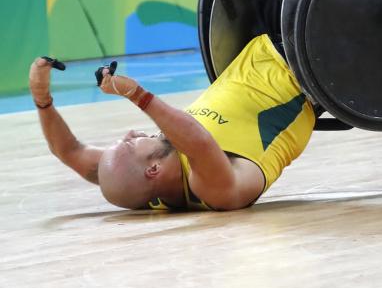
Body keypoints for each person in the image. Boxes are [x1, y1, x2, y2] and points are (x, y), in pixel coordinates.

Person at [27, 33, 316, 211]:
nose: (129, 133)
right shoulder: (214, 191)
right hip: (308, 69)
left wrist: (42, 99)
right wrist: (136, 94)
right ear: (153, 170)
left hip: (257, 46)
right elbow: (201, 142)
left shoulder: (148, 176)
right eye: (130, 143)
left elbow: (70, 152)